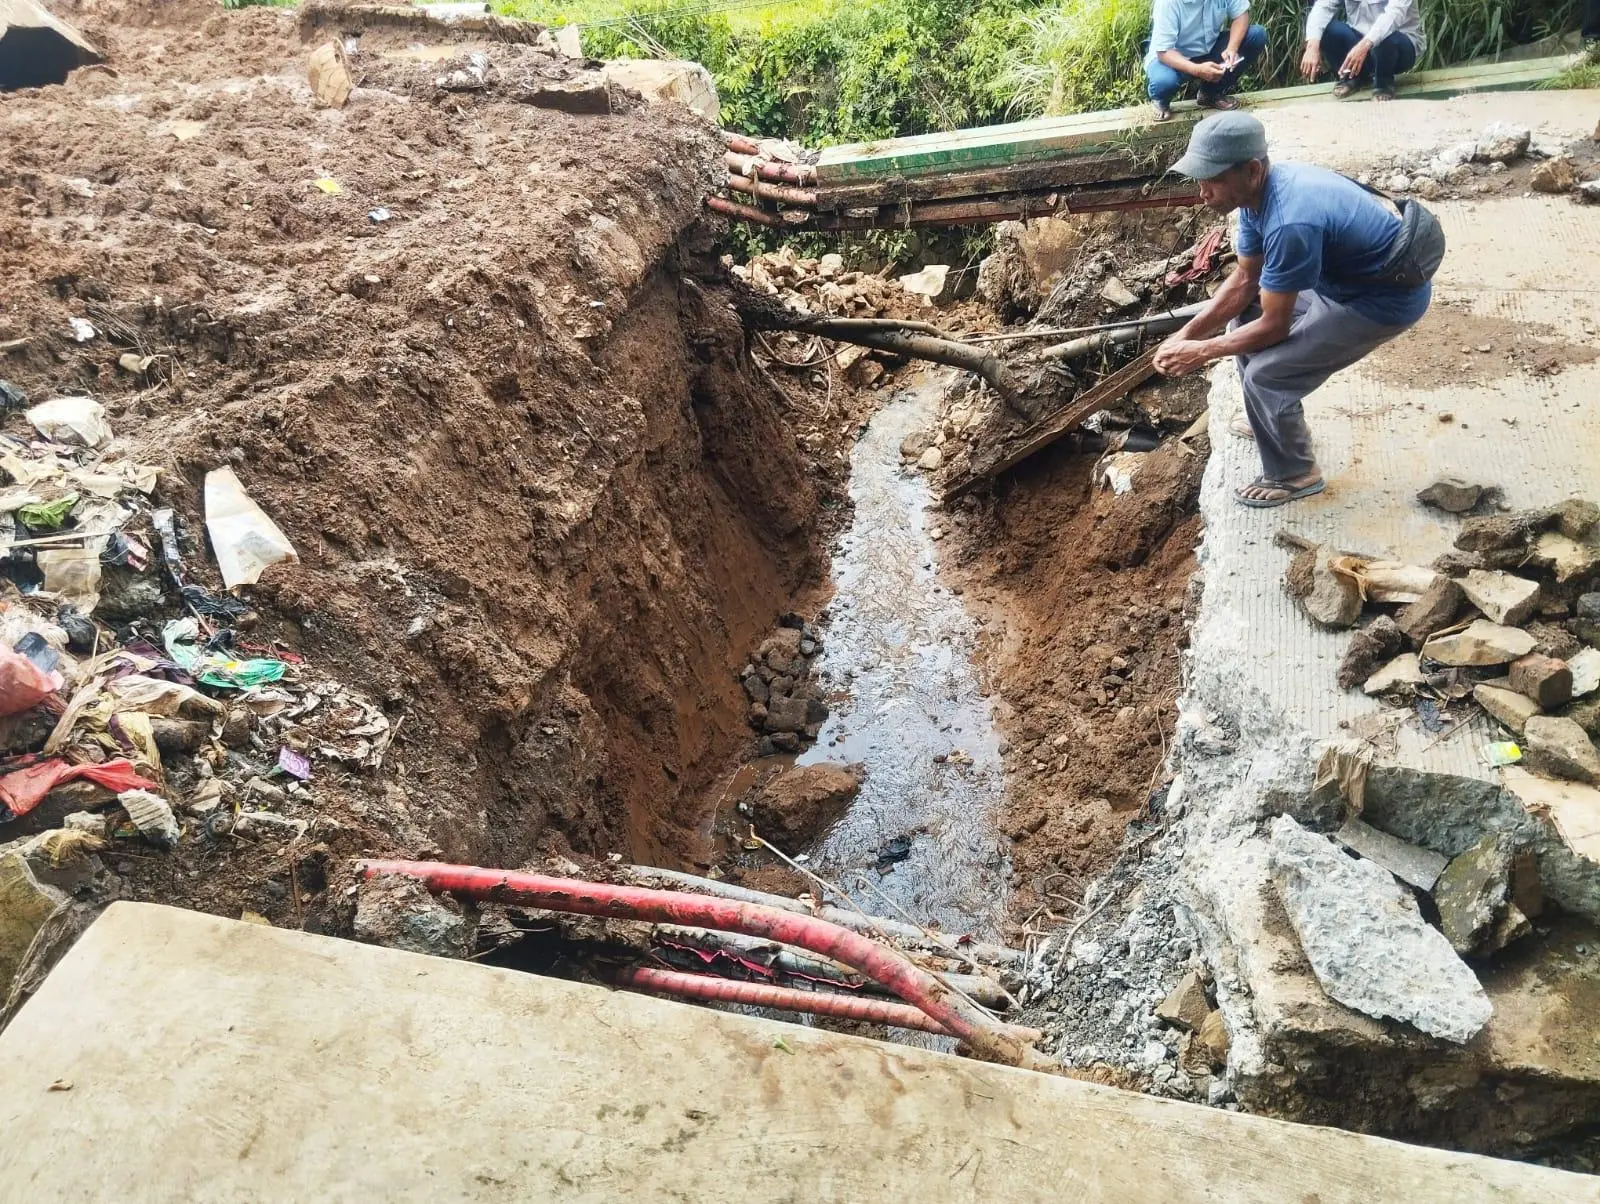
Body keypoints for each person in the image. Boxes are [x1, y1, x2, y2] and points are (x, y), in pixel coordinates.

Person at [1153, 112, 1432, 508]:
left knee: (1267, 376)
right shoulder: (1255, 199)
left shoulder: (1289, 221)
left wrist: (1201, 352)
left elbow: (1274, 327)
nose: (1202, 193)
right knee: (1246, 313)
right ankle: (1269, 419)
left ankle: (1295, 473)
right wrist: (1185, 335)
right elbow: (1245, 280)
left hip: (1381, 300)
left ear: (1252, 170)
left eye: (1212, 179)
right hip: (1341, 281)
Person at [1144, 0, 1268, 122]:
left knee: (1256, 35)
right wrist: (1197, 69)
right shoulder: (1167, 3)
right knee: (1164, 82)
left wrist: (1232, 48)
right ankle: (1160, 100)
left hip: (1209, 49)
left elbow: (1241, 15)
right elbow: (1164, 52)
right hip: (1172, 57)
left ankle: (1210, 93)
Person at [1302, 1, 1426, 101]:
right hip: (1359, 45)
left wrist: (1365, 44)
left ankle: (1384, 82)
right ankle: (1354, 76)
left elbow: (1394, 14)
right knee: (1328, 29)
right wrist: (1312, 46)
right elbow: (1323, 6)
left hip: (1399, 46)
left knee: (1384, 37)